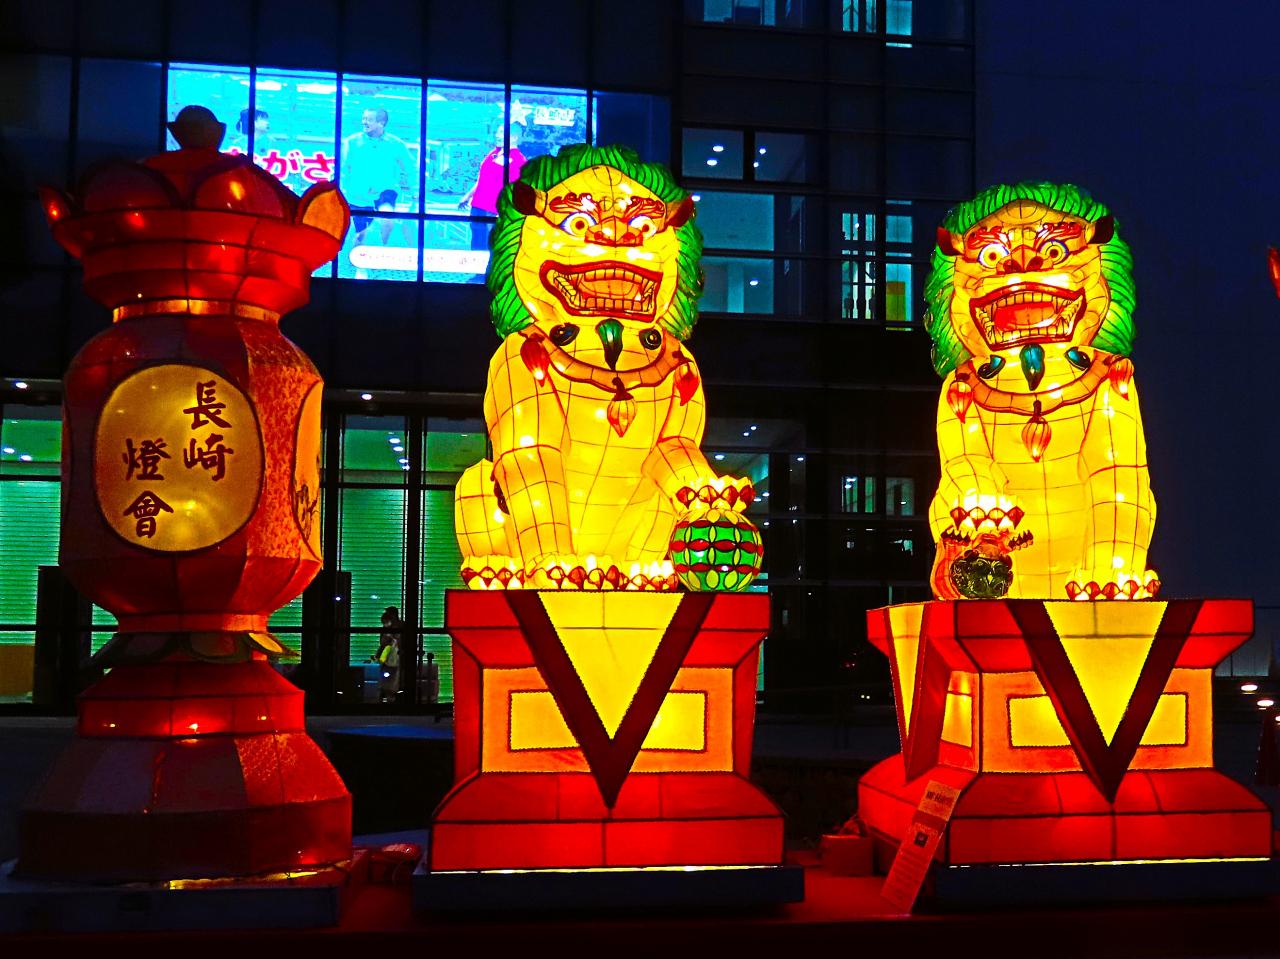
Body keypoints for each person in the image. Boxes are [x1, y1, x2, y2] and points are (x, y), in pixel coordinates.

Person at [342, 108, 415, 245]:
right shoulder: (351, 142)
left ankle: (382, 247)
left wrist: (415, 191)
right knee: (360, 235)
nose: (364, 122)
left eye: (369, 119)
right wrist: (341, 191)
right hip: (358, 194)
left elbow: (410, 168)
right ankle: (358, 254)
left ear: (381, 123)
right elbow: (343, 169)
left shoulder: (396, 144)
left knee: (387, 220)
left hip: (385, 191)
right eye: (363, 118)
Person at [457, 123, 527, 251]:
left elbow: (516, 190)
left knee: (489, 245)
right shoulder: (494, 153)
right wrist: (467, 196)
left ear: (514, 137)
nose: (497, 136)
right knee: (477, 242)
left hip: (493, 210)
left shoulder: (518, 160)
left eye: (501, 132)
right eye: (497, 132)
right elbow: (483, 179)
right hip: (478, 205)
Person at [376, 606, 404, 704]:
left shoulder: (400, 626)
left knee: (395, 678)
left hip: (395, 657)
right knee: (388, 678)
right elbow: (382, 643)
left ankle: (392, 695)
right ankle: (386, 694)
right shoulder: (386, 627)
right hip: (388, 658)